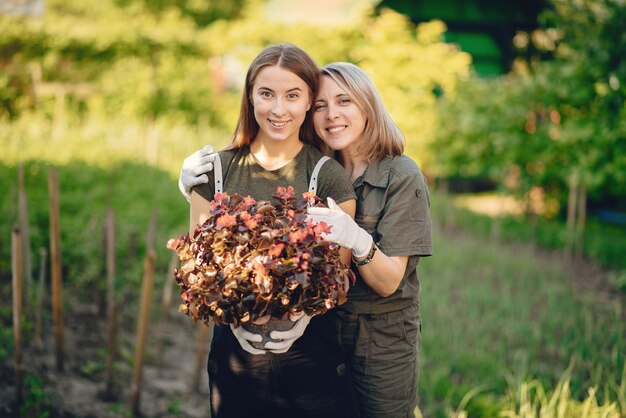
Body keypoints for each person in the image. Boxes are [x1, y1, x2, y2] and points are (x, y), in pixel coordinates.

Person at [181, 61, 433, 418]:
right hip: (323, 328)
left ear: (367, 105)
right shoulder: (321, 165)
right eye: (321, 106)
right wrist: (192, 189)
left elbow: (390, 281)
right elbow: (257, 220)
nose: (332, 115)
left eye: (344, 101)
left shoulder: (401, 174)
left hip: (378, 336)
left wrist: (357, 240)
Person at [188, 44, 359, 418]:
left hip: (309, 354)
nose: (278, 109)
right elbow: (199, 268)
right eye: (266, 94)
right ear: (249, 97)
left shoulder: (327, 175)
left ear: (309, 102)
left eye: (292, 96)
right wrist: (233, 320)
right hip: (234, 357)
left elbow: (336, 279)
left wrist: (299, 321)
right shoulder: (215, 170)